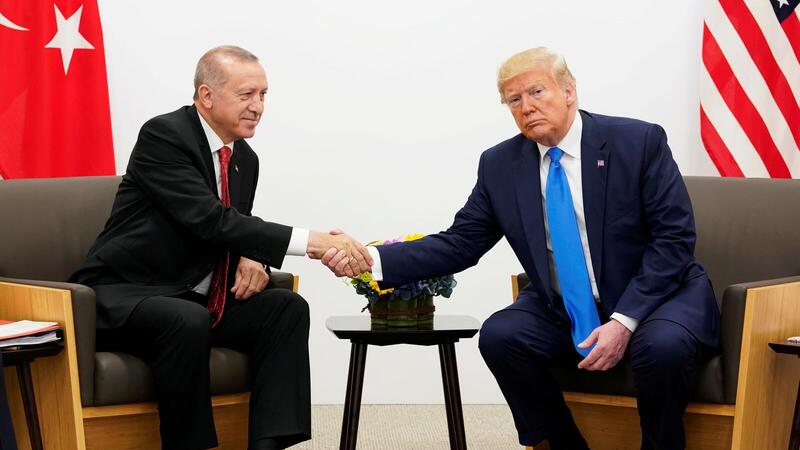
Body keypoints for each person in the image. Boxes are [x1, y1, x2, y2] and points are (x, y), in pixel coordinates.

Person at [322, 47, 720, 449]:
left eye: (536, 92)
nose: (526, 107)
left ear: (569, 91)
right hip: (564, 307)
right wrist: (369, 259)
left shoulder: (637, 142)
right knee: (501, 336)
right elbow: (460, 243)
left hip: (657, 298)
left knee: (662, 348)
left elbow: (674, 239)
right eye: (514, 100)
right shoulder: (501, 165)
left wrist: (623, 321)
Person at [70, 45, 372, 450]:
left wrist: (253, 255)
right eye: (246, 94)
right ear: (206, 96)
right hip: (129, 293)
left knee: (286, 308)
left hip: (194, 295)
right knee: (186, 318)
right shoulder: (164, 136)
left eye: (263, 95)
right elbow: (208, 219)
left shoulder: (244, 158)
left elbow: (233, 226)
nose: (257, 106)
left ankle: (268, 444)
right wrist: (314, 242)